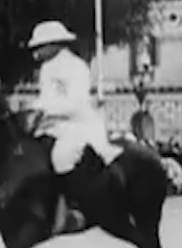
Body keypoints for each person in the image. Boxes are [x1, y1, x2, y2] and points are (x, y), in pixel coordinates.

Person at [27, 20, 122, 234]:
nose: (37, 51)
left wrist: (46, 109)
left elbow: (77, 103)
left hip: (78, 123)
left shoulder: (76, 67)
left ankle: (74, 207)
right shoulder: (46, 69)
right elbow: (44, 98)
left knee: (61, 156)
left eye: (40, 46)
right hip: (52, 124)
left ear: (54, 44)